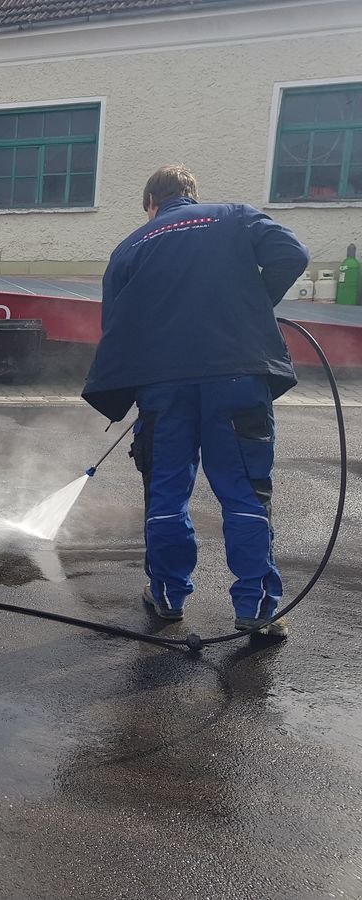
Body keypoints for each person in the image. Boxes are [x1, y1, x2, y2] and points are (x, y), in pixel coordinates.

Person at [82, 165, 310, 639]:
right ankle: (256, 609)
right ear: (192, 194)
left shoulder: (131, 246)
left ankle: (167, 596)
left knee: (166, 492)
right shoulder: (234, 216)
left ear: (151, 203)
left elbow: (116, 325)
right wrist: (252, 308)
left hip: (164, 387)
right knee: (244, 493)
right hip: (237, 379)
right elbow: (293, 253)